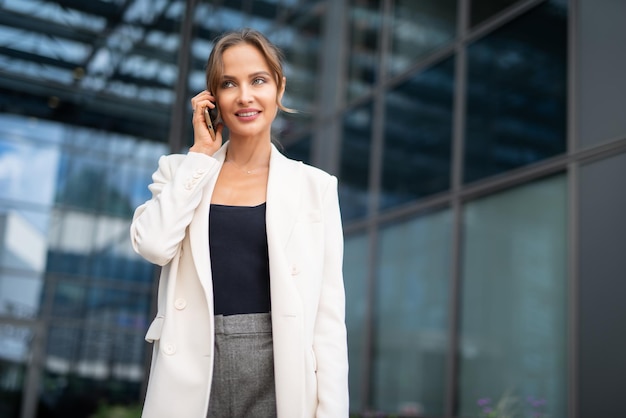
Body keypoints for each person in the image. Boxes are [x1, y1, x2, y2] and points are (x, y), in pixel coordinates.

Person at [130, 28, 349, 418]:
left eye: (258, 80)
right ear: (212, 100)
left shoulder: (315, 188)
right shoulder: (181, 172)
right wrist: (199, 156)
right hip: (193, 368)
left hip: (280, 373)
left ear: (279, 89)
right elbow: (153, 245)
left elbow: (328, 320)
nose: (245, 96)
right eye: (229, 84)